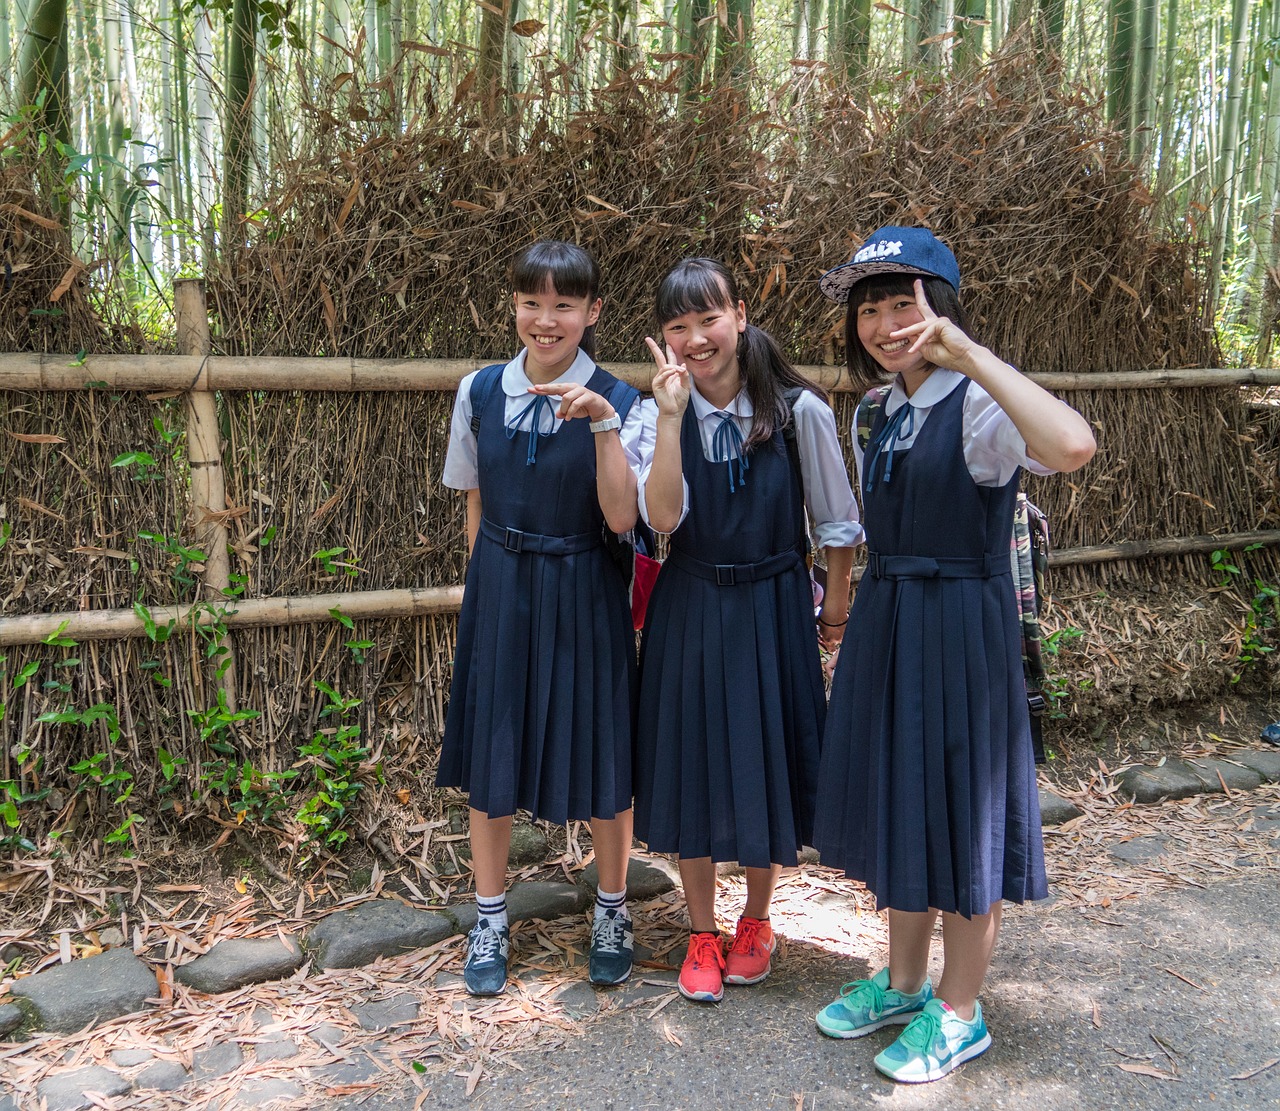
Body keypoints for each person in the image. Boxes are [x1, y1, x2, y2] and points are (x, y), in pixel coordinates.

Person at [811, 226, 1096, 1082]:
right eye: (871, 306)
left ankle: (961, 1008)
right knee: (904, 800)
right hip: (890, 621)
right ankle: (901, 982)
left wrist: (972, 356)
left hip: (961, 628)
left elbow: (1073, 447)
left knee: (964, 814)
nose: (886, 321)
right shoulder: (876, 411)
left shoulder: (977, 403)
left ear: (943, 306)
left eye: (906, 301)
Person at [634, 257, 863, 1004]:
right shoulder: (657, 412)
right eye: (679, 326)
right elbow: (662, 520)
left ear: (739, 313)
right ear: (664, 338)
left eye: (709, 319)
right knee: (695, 765)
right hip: (691, 602)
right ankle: (702, 930)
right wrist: (669, 417)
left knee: (767, 761)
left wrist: (832, 615)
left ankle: (756, 920)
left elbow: (836, 527)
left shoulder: (799, 411)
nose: (697, 339)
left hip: (774, 606)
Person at [438, 241, 643, 995]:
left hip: (586, 587)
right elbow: (475, 498)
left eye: (564, 305)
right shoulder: (481, 391)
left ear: (593, 313)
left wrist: (599, 426)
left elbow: (624, 520)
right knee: (492, 759)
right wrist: (483, 588)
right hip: (500, 589)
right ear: (513, 307)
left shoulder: (625, 400)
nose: (545, 320)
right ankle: (489, 916)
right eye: (532, 303)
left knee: (603, 756)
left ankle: (613, 907)